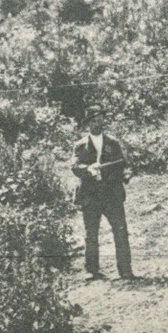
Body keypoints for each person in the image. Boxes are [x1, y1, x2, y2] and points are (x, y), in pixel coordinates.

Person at [71, 113, 134, 280]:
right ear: (87, 124)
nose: (98, 124)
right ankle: (92, 271)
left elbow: (124, 165)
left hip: (111, 194)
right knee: (91, 233)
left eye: (100, 120)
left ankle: (125, 270)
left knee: (120, 231)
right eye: (93, 121)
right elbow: (75, 166)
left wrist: (127, 175)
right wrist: (89, 168)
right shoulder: (80, 145)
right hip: (90, 195)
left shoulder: (112, 143)